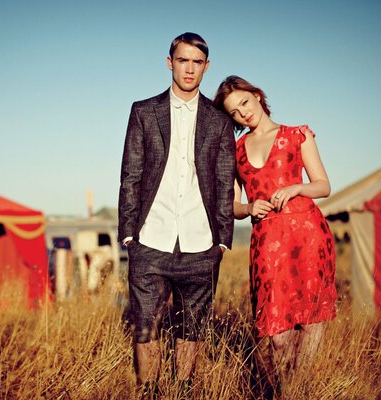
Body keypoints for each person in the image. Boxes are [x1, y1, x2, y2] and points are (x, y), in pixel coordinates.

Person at [119, 32, 235, 395]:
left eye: (197, 62)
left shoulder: (219, 120)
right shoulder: (143, 111)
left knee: (193, 330)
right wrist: (129, 235)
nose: (189, 68)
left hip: (202, 243)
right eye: (182, 60)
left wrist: (223, 241)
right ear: (170, 62)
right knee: (145, 326)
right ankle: (149, 392)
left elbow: (224, 181)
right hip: (150, 238)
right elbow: (131, 173)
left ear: (206, 67)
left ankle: (184, 390)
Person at [213, 76, 337, 384]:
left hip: (309, 234)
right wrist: (248, 208)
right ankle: (282, 386)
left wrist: (296, 188)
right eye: (234, 112)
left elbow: (324, 186)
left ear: (256, 95)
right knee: (277, 335)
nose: (243, 113)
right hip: (268, 242)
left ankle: (298, 390)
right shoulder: (236, 150)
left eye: (245, 102)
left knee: (310, 321)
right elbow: (231, 205)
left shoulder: (298, 135)